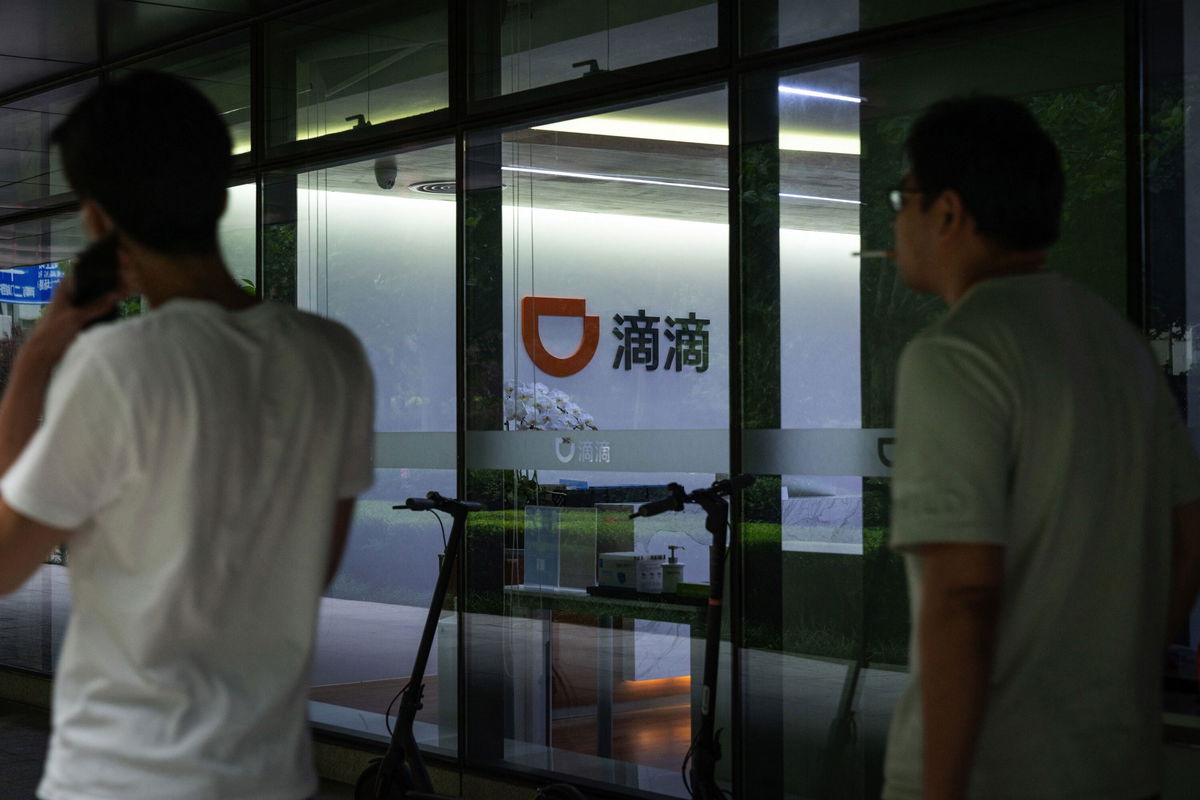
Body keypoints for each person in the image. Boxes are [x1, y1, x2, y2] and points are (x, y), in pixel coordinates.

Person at [0, 72, 374, 799]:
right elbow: (313, 567)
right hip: (271, 774)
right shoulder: (333, 357)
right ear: (218, 195)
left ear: (99, 222)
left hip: (122, 776)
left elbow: (4, 562)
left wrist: (37, 362)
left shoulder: (119, 364)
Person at [882, 95, 1200, 800]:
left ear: (947, 213)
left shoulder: (956, 353)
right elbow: (1189, 536)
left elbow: (962, 591)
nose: (895, 218)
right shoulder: (1117, 344)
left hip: (1001, 773)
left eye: (902, 196)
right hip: (1117, 763)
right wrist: (1114, 673)